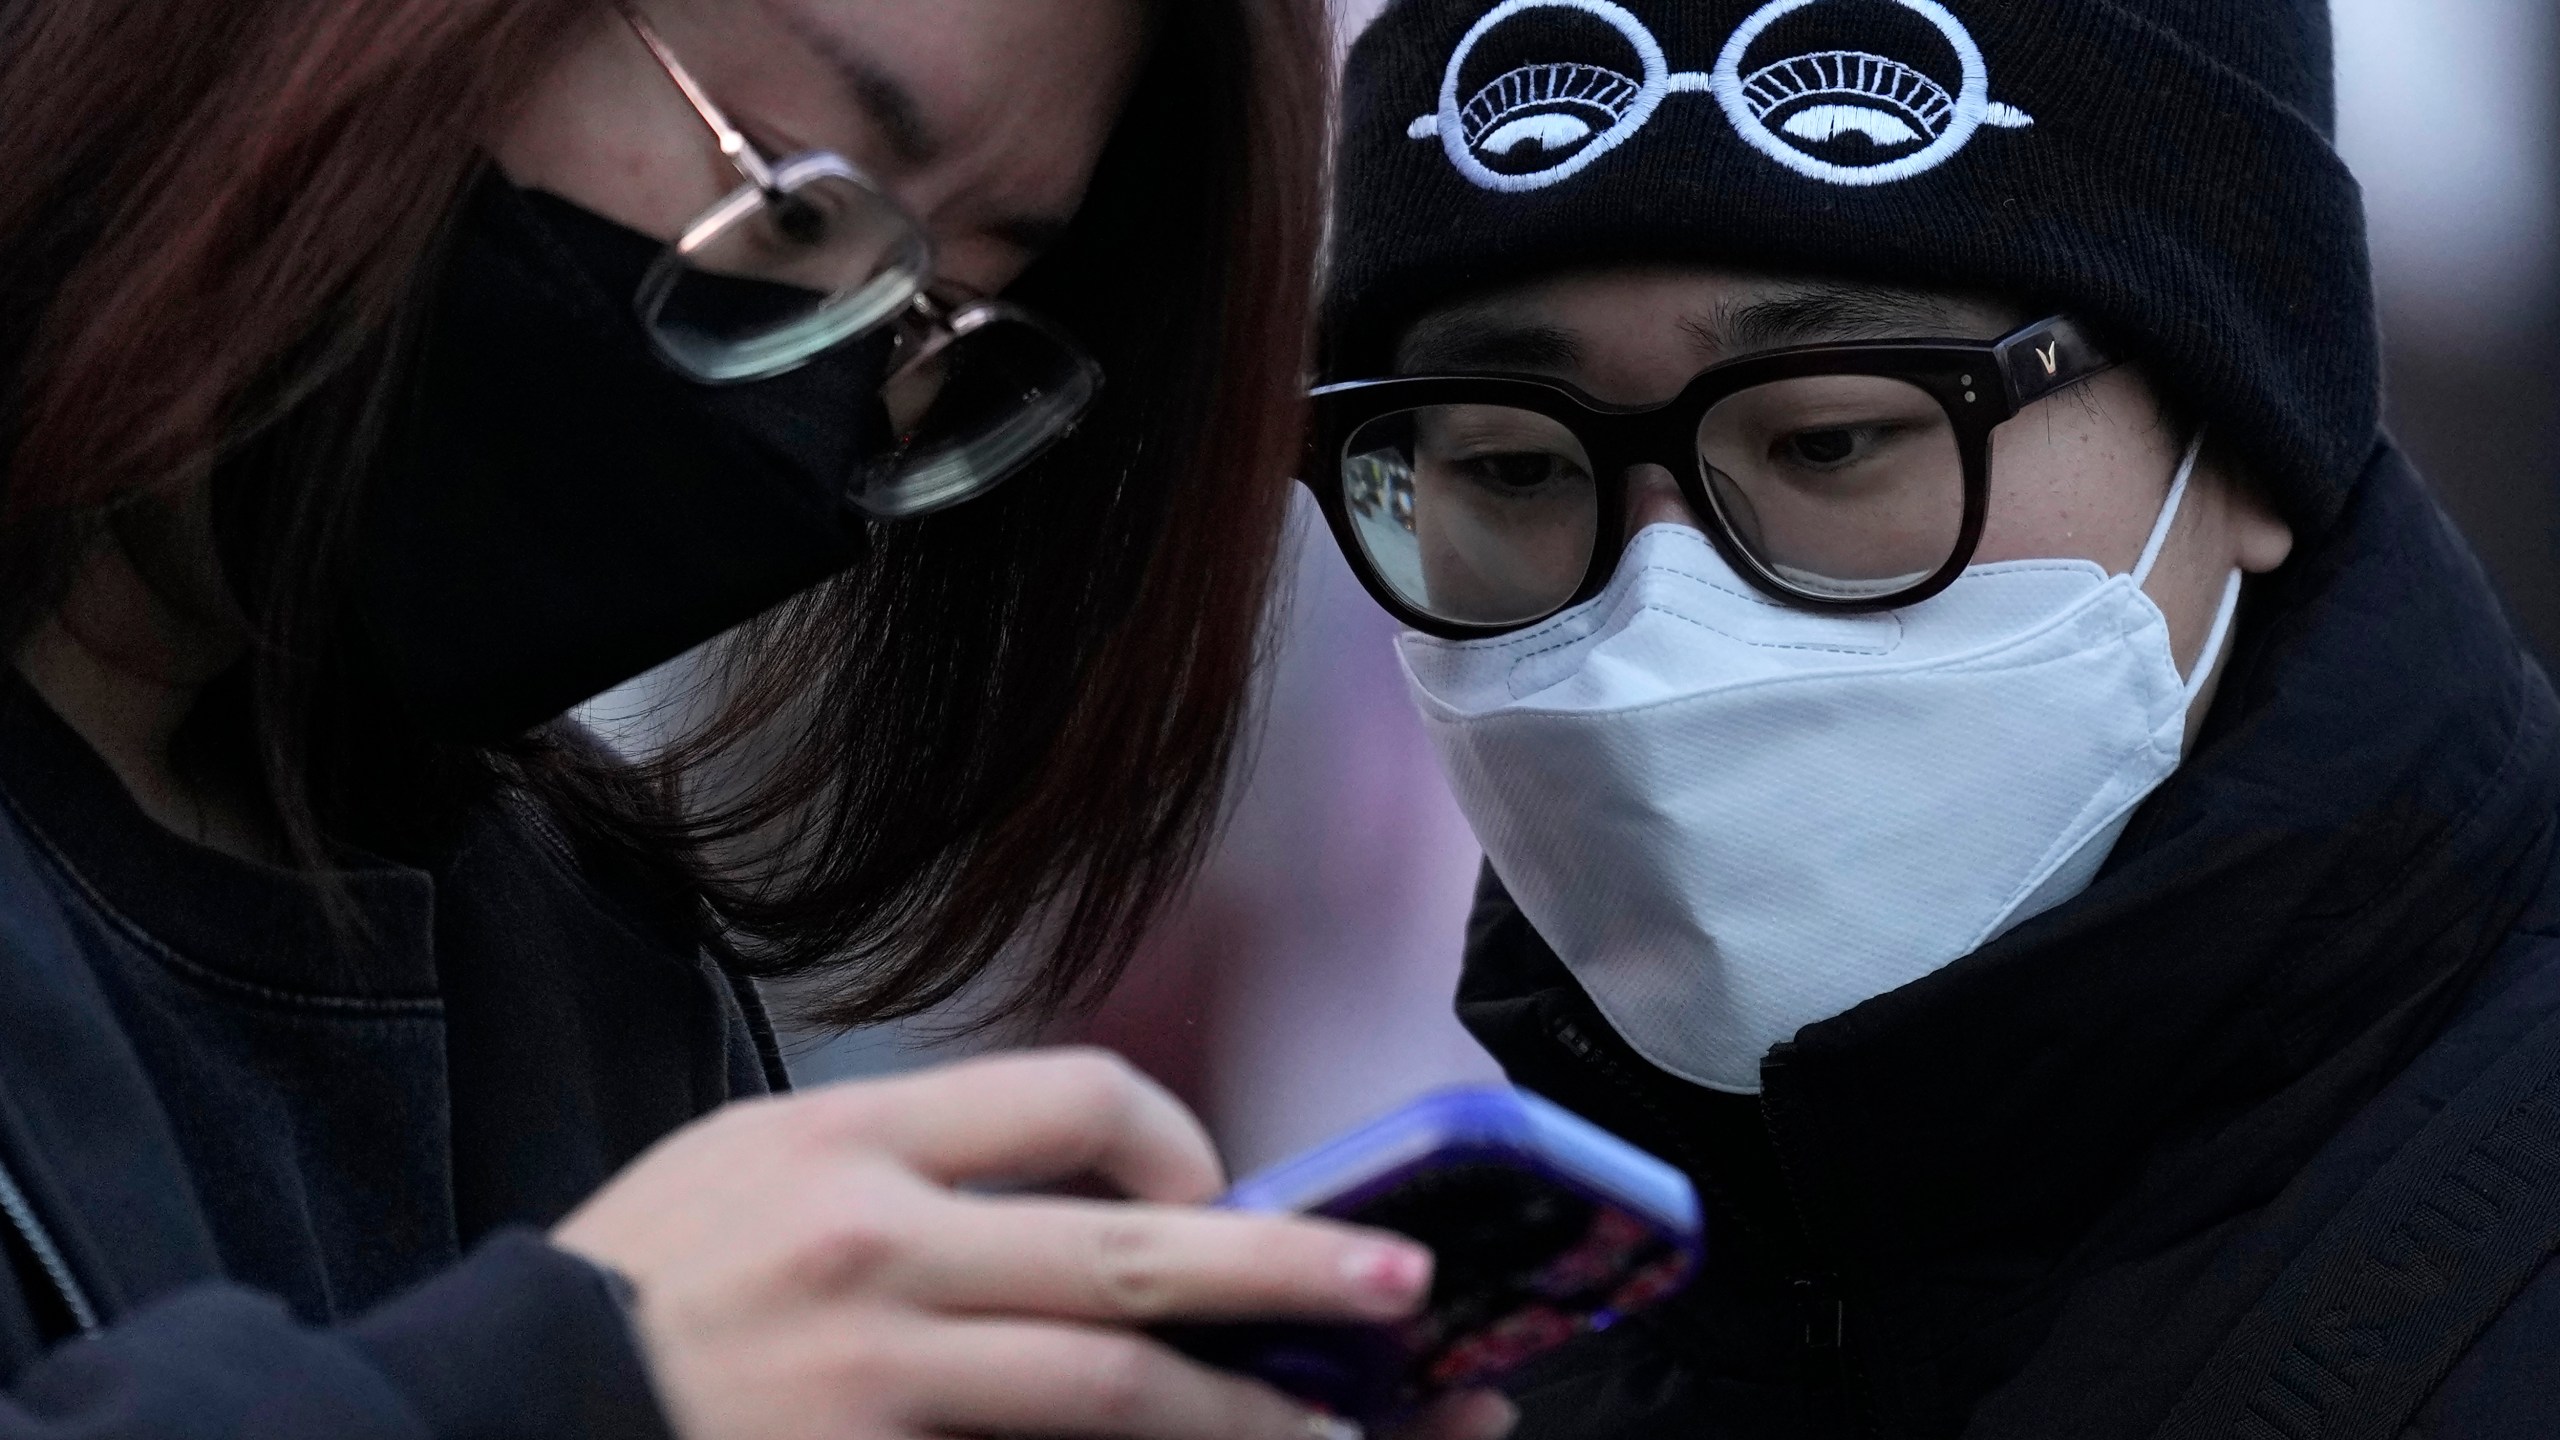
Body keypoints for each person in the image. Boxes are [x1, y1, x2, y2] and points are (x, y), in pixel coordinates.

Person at [0, 0, 1516, 1436]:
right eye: (793, 197)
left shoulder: (587, 979)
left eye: (944, 317)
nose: (830, 383)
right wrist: (575, 1387)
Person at [1309, 0, 2560, 1434]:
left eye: (1829, 438)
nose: (1657, 625)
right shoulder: (1431, 1362)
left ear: (2246, 431)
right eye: (1514, 466)